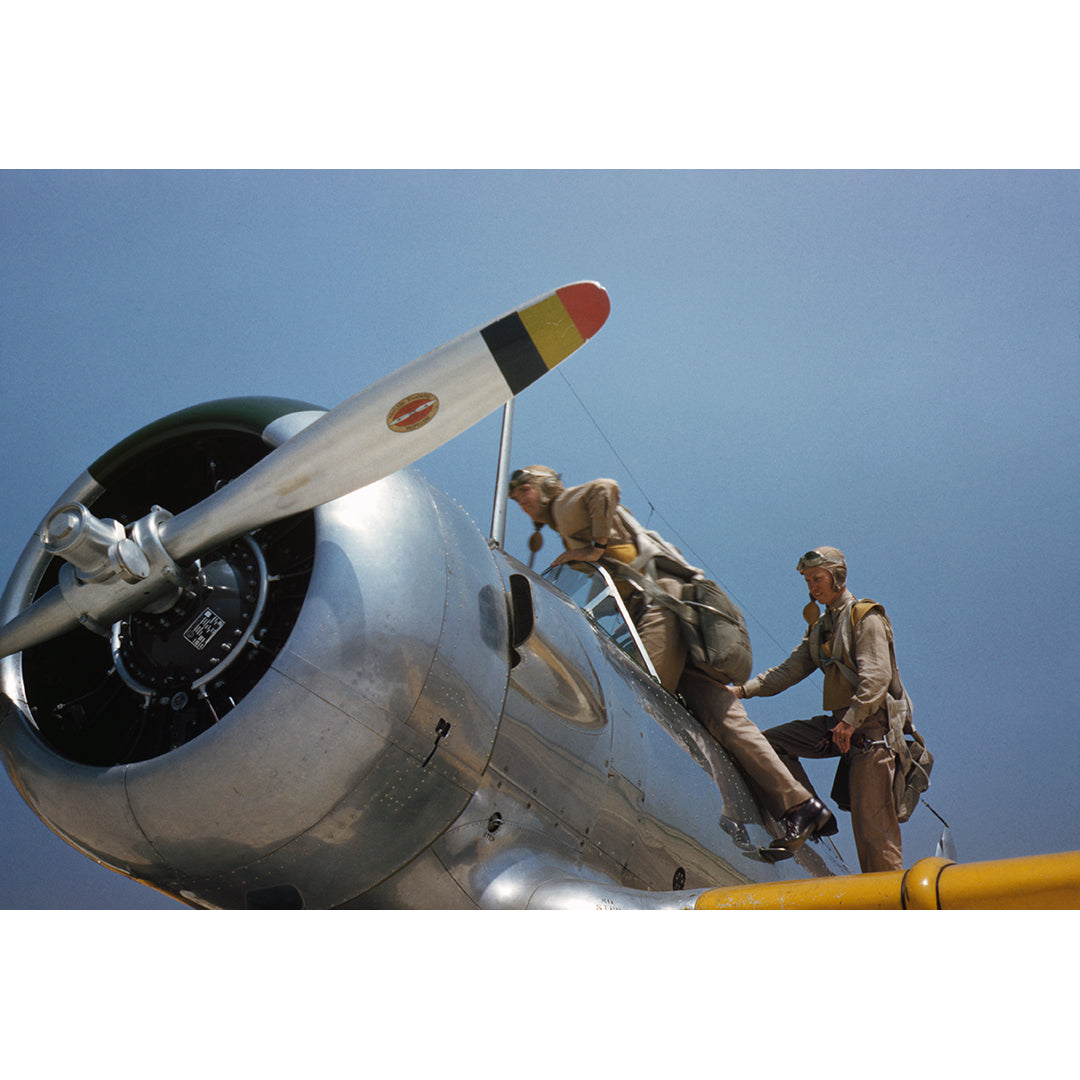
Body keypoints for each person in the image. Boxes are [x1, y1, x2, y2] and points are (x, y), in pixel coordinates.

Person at [508, 466, 834, 854]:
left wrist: (592, 547)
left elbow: (604, 489)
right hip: (677, 617)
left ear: (543, 487)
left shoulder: (564, 507)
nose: (523, 503)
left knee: (638, 702)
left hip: (661, 611)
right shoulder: (563, 518)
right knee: (725, 717)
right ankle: (800, 804)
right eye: (517, 499)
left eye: (525, 491)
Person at [729, 547, 910, 873]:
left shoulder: (865, 617)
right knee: (769, 745)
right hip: (839, 728)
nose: (812, 587)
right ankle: (807, 810)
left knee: (874, 841)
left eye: (818, 578)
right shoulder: (821, 629)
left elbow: (877, 678)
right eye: (808, 581)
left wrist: (850, 722)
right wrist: (741, 690)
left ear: (837, 576)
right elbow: (787, 672)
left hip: (869, 736)